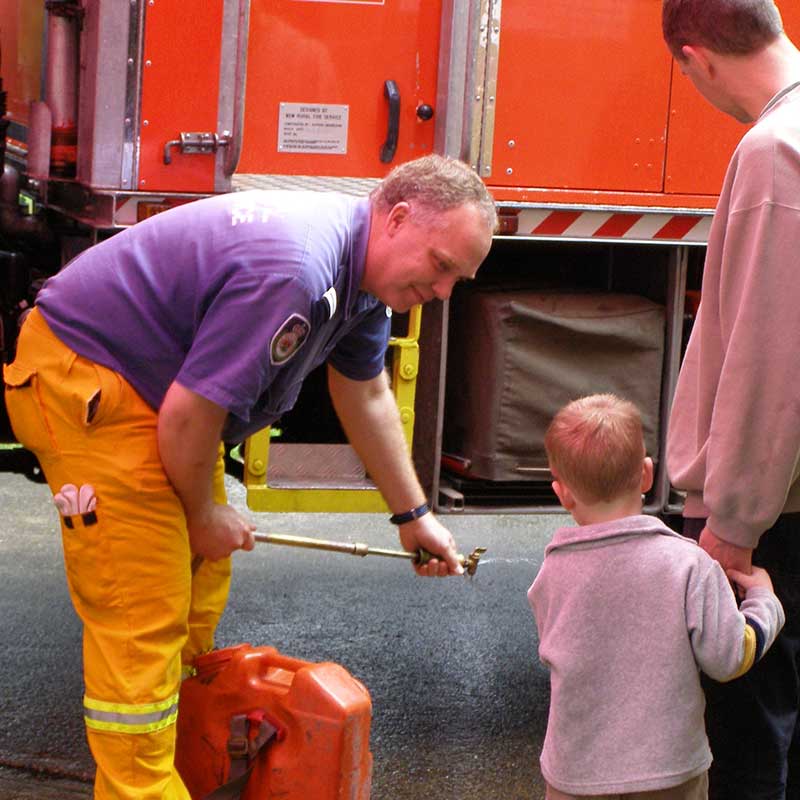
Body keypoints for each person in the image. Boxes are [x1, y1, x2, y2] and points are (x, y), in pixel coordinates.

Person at [2, 153, 496, 799]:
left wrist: (413, 515)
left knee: (199, 582)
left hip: (156, 397)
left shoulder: (363, 282)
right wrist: (203, 514)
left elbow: (366, 393)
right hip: (91, 379)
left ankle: (177, 759)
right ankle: (141, 783)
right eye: (441, 266)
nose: (443, 291)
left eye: (459, 277)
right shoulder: (295, 270)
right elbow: (188, 415)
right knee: (143, 611)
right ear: (398, 218)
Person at [662, 1, 800, 796]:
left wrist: (735, 524)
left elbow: (768, 359)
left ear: (696, 58)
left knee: (752, 737)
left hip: (777, 511)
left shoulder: (775, 151)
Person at [528, 394, 785, 800]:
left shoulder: (553, 571)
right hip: (670, 774)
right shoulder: (688, 565)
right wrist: (764, 603)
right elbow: (729, 656)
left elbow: (553, 650)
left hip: (574, 773)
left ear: (563, 494)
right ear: (647, 475)